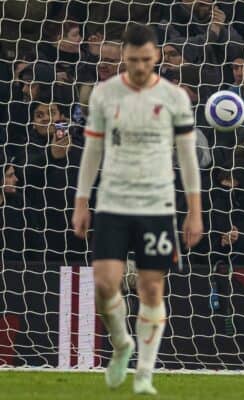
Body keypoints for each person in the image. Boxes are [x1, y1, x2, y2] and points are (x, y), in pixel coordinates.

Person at [71, 25, 203, 395]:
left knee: (151, 288)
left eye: (146, 60)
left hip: (157, 205)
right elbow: (92, 151)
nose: (140, 66)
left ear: (156, 56)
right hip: (112, 202)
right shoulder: (104, 95)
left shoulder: (175, 97)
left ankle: (144, 372)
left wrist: (195, 211)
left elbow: (188, 157)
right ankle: (122, 344)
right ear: (123, 58)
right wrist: (82, 202)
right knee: (104, 283)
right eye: (133, 60)